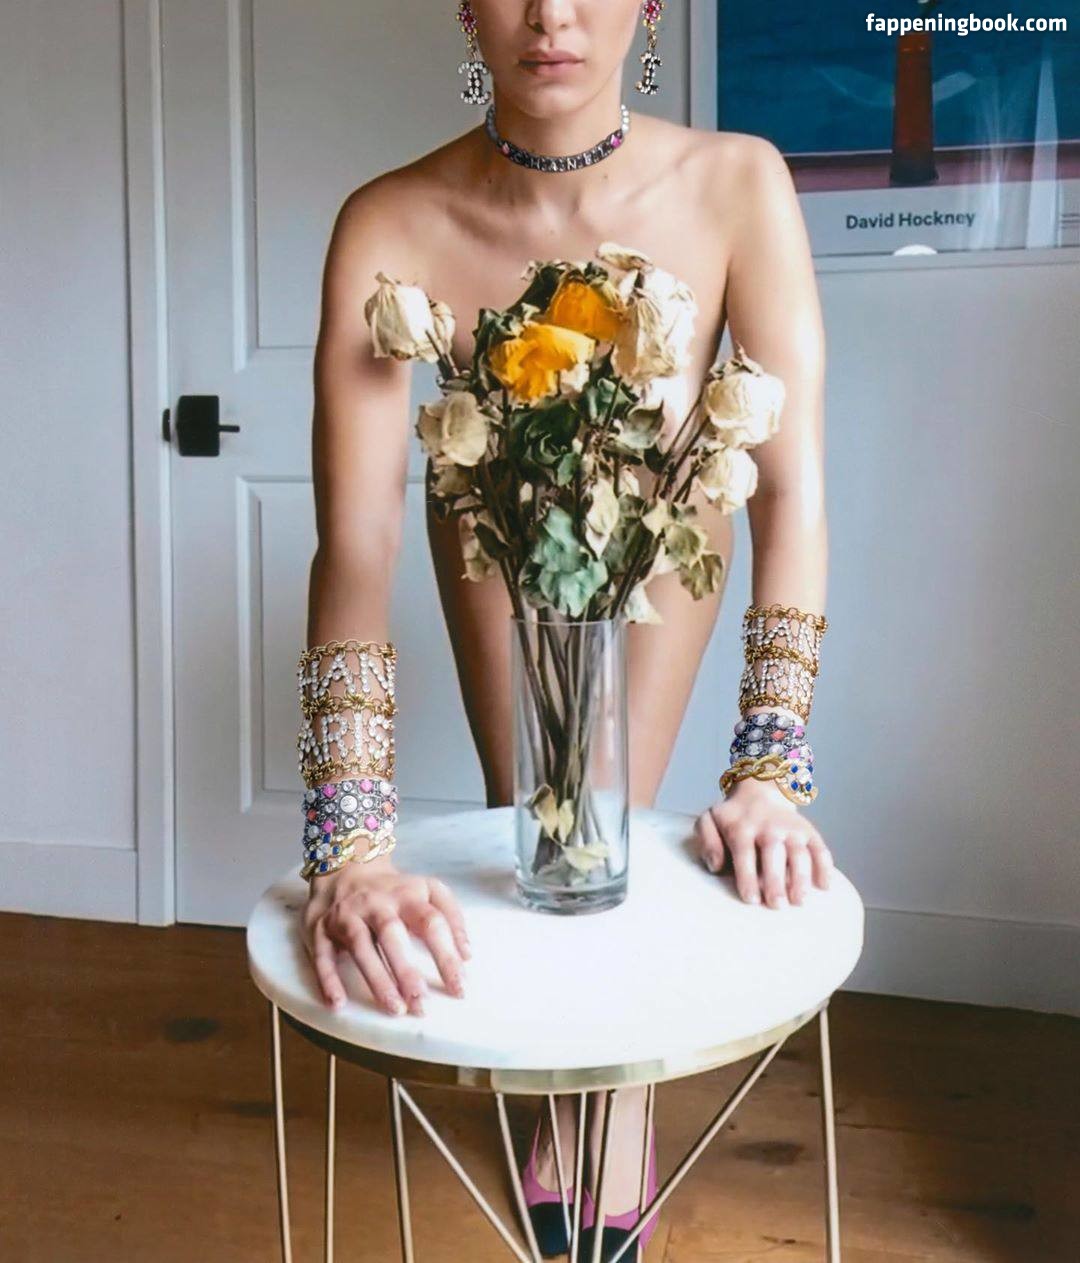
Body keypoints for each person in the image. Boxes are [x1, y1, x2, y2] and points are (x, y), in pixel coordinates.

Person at [298, 1, 835, 1257]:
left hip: (665, 549)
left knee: (612, 828)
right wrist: (348, 843)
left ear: (647, 6)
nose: (551, 14)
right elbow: (357, 544)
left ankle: (611, 1098)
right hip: (498, 559)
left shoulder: (737, 183)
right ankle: (584, 1092)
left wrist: (768, 772)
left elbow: (792, 493)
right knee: (542, 845)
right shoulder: (389, 220)